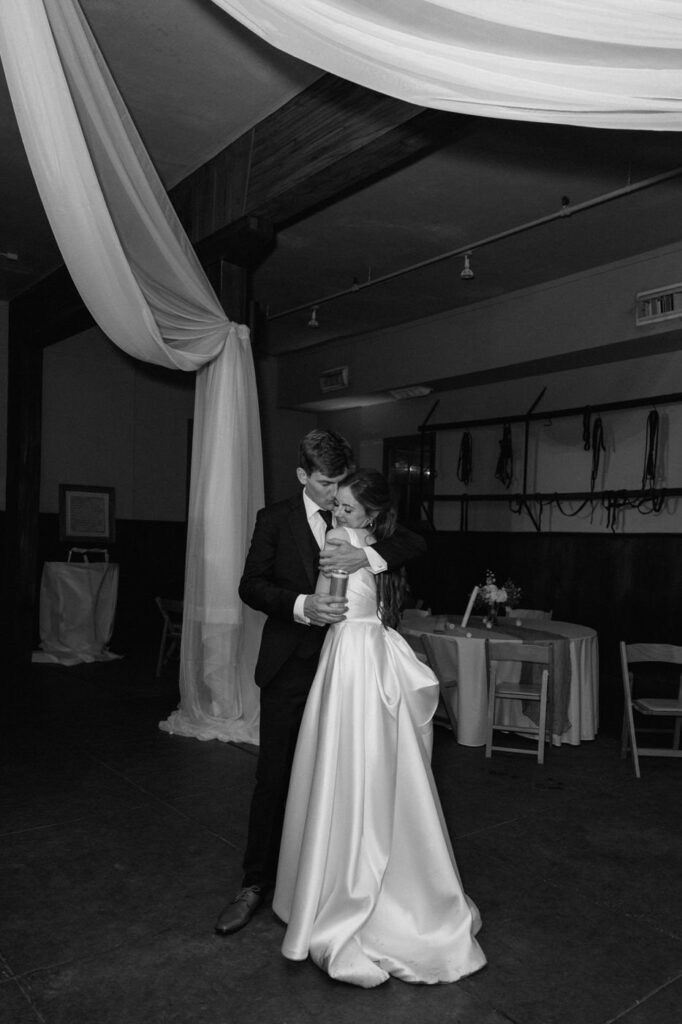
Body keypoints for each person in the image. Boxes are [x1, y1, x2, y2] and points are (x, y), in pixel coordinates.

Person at [272, 469, 486, 987]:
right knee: (369, 764)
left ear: (371, 514)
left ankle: (345, 881)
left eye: (347, 506)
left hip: (355, 659)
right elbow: (330, 603)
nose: (337, 513)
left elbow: (344, 594)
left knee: (357, 765)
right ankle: (378, 879)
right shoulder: (353, 539)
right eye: (336, 504)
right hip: (359, 656)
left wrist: (353, 563)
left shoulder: (360, 543)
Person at [215, 430, 426, 936]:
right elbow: (250, 585)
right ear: (302, 476)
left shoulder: (357, 513)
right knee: (275, 778)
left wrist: (365, 556)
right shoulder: (275, 519)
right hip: (291, 665)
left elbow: (414, 541)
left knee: (345, 776)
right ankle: (254, 884)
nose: (336, 495)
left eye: (341, 483)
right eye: (327, 483)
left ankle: (330, 879)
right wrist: (301, 605)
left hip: (351, 673)